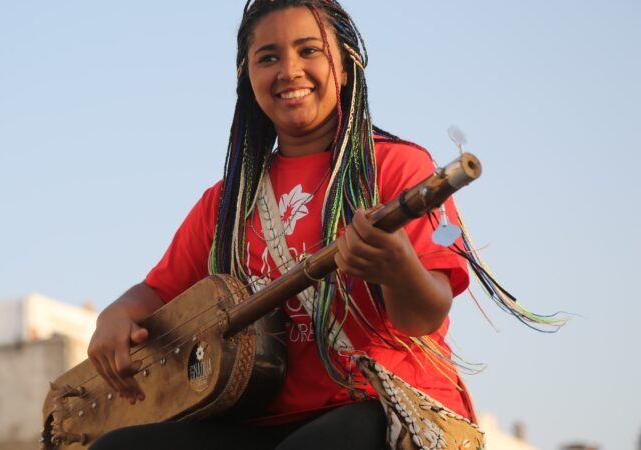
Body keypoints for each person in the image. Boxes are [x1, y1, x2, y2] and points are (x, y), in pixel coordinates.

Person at [87, 1, 475, 449]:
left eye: (309, 51)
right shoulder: (226, 203)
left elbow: (423, 316)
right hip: (264, 423)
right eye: (268, 58)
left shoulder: (398, 165)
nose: (290, 70)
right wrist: (114, 317)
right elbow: (155, 293)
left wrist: (398, 268)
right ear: (248, 80)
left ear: (346, 68)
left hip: (381, 409)